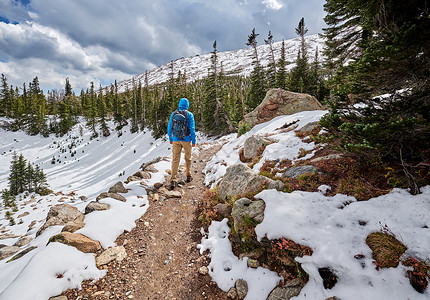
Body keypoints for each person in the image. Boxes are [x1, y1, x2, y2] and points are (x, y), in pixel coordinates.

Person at [167, 97, 196, 189]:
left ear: (179, 104)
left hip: (176, 139)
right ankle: (188, 175)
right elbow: (192, 129)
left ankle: (173, 179)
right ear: (187, 105)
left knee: (175, 159)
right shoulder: (189, 114)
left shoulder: (174, 113)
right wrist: (193, 140)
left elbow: (169, 127)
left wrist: (171, 138)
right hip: (186, 140)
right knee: (188, 157)